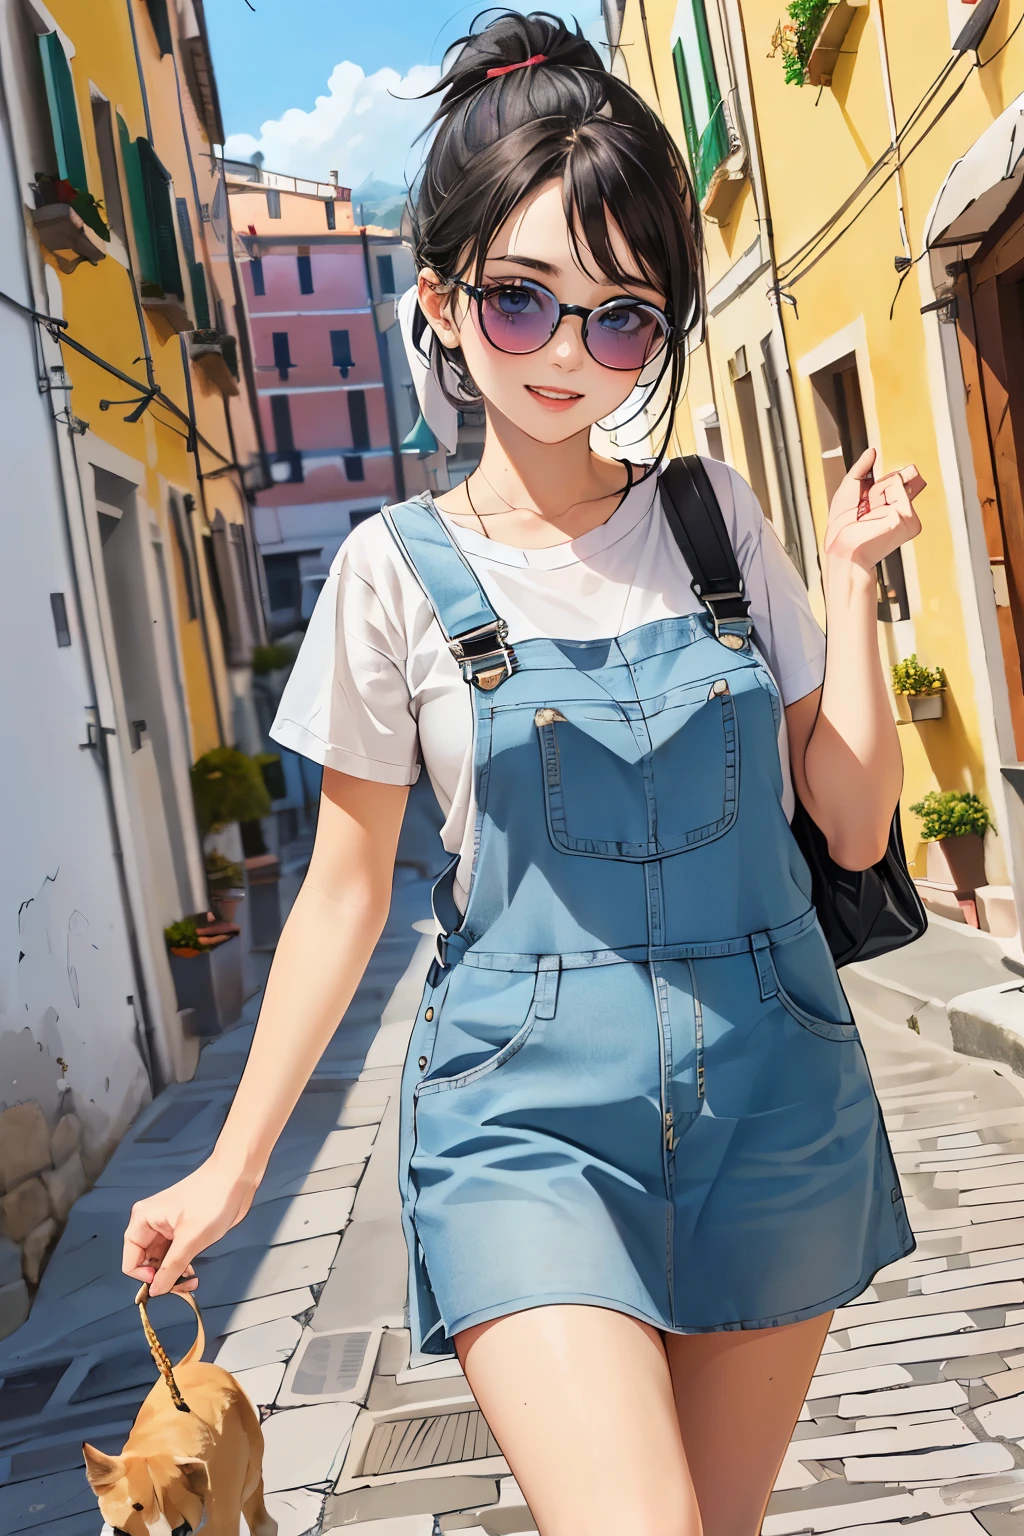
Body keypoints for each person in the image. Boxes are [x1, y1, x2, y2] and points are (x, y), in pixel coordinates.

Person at [123, 13, 923, 1534]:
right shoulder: (386, 577)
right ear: (440, 298)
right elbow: (344, 892)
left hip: (772, 1086)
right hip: (524, 1120)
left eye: (623, 317)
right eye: (523, 302)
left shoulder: (717, 522)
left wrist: (855, 579)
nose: (573, 353)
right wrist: (233, 1169)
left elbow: (859, 817)